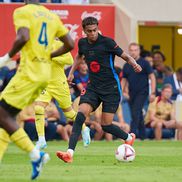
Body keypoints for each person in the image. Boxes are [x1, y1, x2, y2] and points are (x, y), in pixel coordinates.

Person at [0, 0, 74, 179]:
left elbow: (23, 37)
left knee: (1, 115)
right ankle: (35, 155)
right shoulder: (52, 16)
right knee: (5, 118)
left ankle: (36, 154)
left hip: (28, 73)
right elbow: (70, 44)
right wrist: (49, 55)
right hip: (44, 75)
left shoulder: (22, 11)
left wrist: (5, 58)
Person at [56, 16, 142, 163]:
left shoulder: (107, 42)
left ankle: (128, 137)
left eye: (95, 30)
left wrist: (134, 64)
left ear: (97, 28)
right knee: (80, 116)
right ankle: (69, 153)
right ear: (84, 31)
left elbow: (126, 56)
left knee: (106, 125)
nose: (93, 33)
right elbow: (78, 57)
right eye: (89, 31)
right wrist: (70, 74)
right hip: (93, 88)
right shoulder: (82, 43)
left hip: (111, 89)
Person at [34, 39, 90, 149]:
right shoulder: (39, 44)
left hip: (59, 83)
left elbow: (69, 60)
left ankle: (84, 128)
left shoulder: (59, 44)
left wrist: (51, 56)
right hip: (45, 83)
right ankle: (41, 140)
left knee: (68, 113)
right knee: (38, 109)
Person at [122, 42, 156, 140]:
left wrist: (153, 92)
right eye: (131, 50)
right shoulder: (126, 65)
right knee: (138, 115)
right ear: (129, 51)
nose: (133, 52)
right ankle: (143, 136)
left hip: (143, 92)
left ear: (139, 51)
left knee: (135, 112)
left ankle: (131, 137)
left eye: (135, 50)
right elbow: (124, 80)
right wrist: (122, 92)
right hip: (131, 93)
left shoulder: (145, 63)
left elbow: (152, 77)